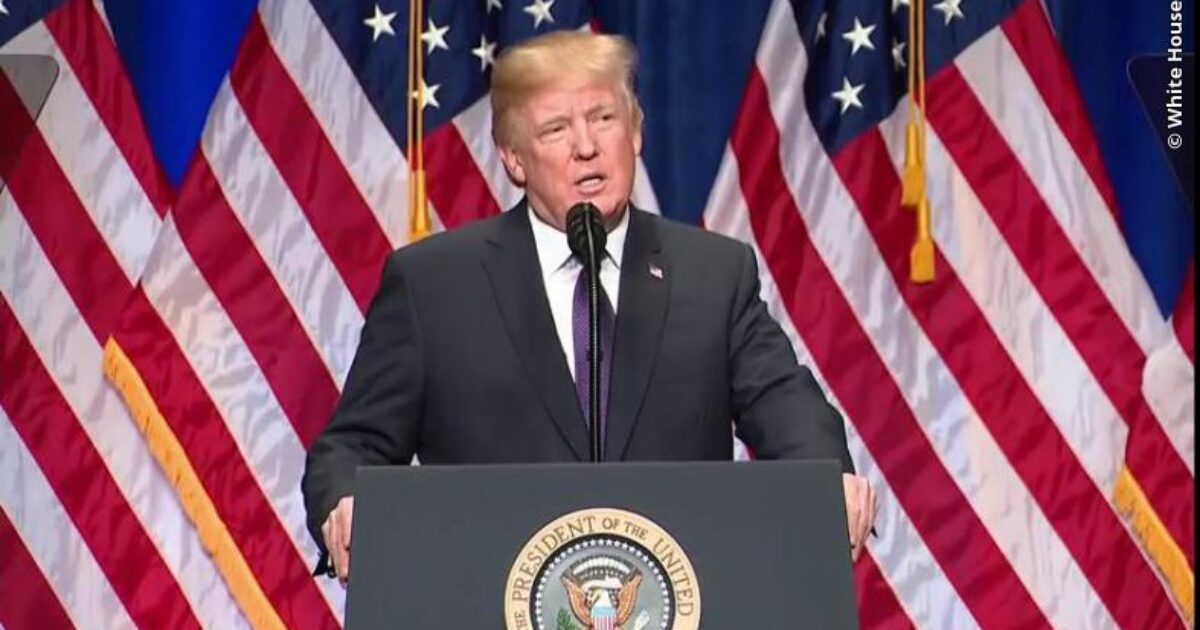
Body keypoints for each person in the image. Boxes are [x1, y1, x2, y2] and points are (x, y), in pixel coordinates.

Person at [302, 31, 877, 584]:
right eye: (555, 128)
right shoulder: (434, 286)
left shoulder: (712, 275)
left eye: (604, 118)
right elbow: (353, 445)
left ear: (636, 134)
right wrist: (346, 500)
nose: (586, 146)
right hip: (487, 597)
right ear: (514, 159)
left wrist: (829, 480)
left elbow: (788, 410)